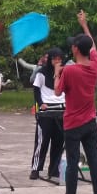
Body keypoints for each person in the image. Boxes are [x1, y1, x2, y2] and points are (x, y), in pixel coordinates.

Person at [51, 11, 97, 194]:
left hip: (73, 122)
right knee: (93, 160)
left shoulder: (70, 70)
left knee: (73, 161)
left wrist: (57, 73)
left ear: (75, 49)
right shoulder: (95, 66)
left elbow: (58, 92)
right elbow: (92, 45)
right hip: (90, 121)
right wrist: (85, 25)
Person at [30, 48, 65, 181]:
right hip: (46, 109)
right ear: (50, 60)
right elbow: (36, 90)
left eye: (59, 59)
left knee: (59, 141)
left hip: (61, 108)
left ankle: (54, 169)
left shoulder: (64, 73)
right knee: (42, 141)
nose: (57, 61)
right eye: (54, 59)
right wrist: (41, 103)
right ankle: (36, 169)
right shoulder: (41, 73)